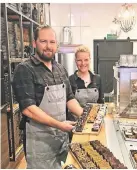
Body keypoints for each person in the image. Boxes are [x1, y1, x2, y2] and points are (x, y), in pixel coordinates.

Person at [12, 25, 83, 169]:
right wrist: (60, 125)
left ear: (56, 45)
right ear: (34, 43)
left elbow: (69, 98)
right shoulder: (25, 69)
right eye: (43, 41)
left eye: (52, 42)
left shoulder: (60, 69)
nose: (48, 46)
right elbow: (28, 109)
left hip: (61, 139)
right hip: (40, 142)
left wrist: (85, 117)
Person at [68, 45, 104, 110]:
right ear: (75, 61)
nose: (83, 63)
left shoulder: (97, 79)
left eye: (86, 60)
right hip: (75, 119)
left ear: (90, 60)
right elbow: (68, 104)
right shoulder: (70, 80)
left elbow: (101, 103)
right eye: (79, 60)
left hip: (93, 118)